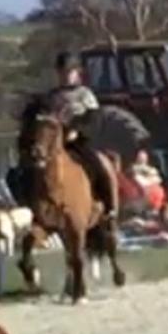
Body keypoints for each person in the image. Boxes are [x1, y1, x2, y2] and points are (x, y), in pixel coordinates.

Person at [44, 52, 116, 219]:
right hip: (56, 141)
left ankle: (108, 203)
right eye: (61, 72)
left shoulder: (85, 94)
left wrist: (77, 131)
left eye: (69, 72)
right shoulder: (52, 96)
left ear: (77, 73)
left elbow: (94, 119)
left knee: (98, 164)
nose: (65, 76)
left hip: (81, 141)